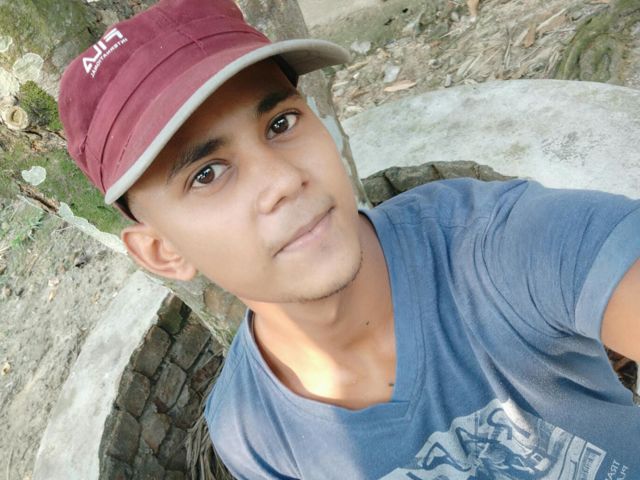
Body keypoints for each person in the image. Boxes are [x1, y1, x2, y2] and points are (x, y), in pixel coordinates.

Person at [59, 0, 640, 478]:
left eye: (281, 123)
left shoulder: (497, 248)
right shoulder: (253, 433)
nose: (284, 181)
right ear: (163, 252)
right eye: (207, 173)